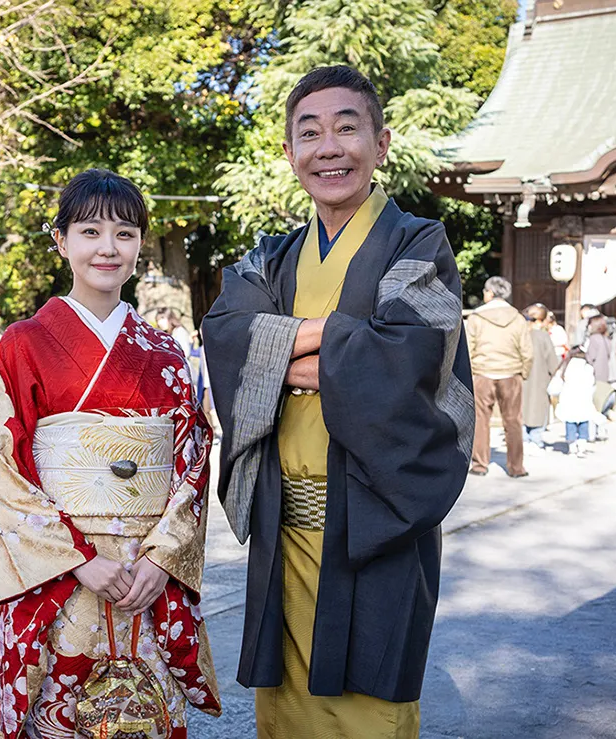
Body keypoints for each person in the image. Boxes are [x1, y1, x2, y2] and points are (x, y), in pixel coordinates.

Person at [202, 66, 473, 739]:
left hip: (374, 523)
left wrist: (280, 351)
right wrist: (356, 342)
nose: (329, 147)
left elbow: (409, 354)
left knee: (369, 712)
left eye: (346, 128)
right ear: (290, 154)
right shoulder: (269, 259)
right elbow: (226, 336)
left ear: (380, 144)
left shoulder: (417, 242)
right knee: (287, 712)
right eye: (309, 132)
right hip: (282, 530)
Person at [0, 169, 220, 739]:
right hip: (64, 570)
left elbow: (192, 457)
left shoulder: (163, 351)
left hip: (144, 568)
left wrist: (164, 559)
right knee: (63, 707)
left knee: (147, 709)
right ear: (61, 241)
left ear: (140, 246)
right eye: (89, 231)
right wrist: (81, 559)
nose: (108, 248)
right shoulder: (24, 344)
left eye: (125, 233)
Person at [466, 276, 534, 477]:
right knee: (513, 421)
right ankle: (516, 467)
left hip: (482, 373)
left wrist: (470, 373)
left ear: (489, 293)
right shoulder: (518, 317)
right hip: (511, 373)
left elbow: (469, 349)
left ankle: (479, 465)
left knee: (480, 420)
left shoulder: (476, 318)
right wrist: (524, 372)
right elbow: (527, 351)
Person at [551, 348, 606, 458]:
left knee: (570, 423)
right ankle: (582, 447)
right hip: (584, 400)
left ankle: (572, 447)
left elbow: (558, 383)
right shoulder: (588, 368)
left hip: (568, 400)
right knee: (583, 424)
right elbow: (592, 384)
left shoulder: (566, 368)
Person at [522, 304, 559, 452]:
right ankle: (535, 440)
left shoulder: (522, 334)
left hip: (521, 378)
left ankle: (523, 439)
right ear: (542, 320)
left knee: (522, 407)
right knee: (538, 408)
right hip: (540, 378)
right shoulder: (543, 336)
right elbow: (552, 362)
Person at [584, 314, 616, 439]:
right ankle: (602, 431)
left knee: (593, 406)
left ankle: (591, 434)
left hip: (594, 374)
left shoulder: (594, 339)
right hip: (604, 374)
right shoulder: (606, 339)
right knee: (601, 406)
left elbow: (590, 357)